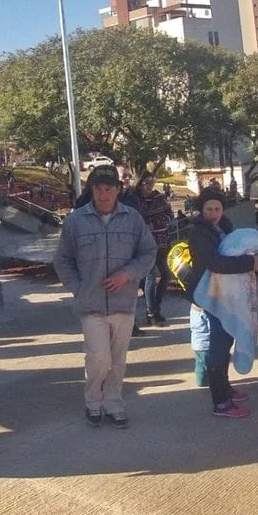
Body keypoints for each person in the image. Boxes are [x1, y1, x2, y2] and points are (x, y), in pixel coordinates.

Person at [53, 165, 157, 428]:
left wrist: (128, 274)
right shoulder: (76, 221)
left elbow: (148, 253)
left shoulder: (133, 219)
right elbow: (62, 260)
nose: (102, 194)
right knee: (99, 357)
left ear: (118, 190)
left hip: (124, 303)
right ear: (92, 190)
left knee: (118, 359)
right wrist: (78, 286)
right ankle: (93, 401)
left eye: (108, 188)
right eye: (97, 189)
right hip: (91, 305)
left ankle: (113, 403)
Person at [182, 189, 258, 418]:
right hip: (211, 296)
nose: (214, 213)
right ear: (202, 209)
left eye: (217, 209)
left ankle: (225, 388)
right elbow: (214, 262)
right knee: (218, 346)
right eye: (209, 209)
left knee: (226, 341)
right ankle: (221, 403)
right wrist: (250, 262)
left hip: (226, 293)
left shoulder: (224, 225)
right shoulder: (199, 232)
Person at [135, 173, 173, 326]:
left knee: (166, 274)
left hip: (162, 242)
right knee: (151, 275)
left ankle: (156, 305)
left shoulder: (159, 198)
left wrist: (160, 222)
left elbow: (170, 215)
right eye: (147, 182)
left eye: (152, 182)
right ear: (140, 183)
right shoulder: (136, 200)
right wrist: (146, 225)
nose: (150, 185)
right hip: (145, 244)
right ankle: (151, 312)